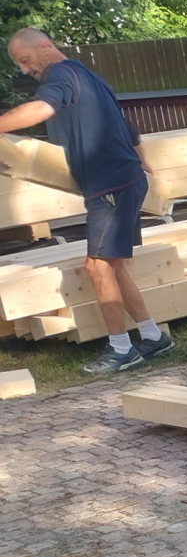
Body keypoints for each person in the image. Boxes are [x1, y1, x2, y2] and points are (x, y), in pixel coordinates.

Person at [0, 28, 170, 375]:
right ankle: (153, 337)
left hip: (110, 184)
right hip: (123, 179)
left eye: (25, 60)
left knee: (97, 267)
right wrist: (144, 165)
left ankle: (121, 349)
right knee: (113, 266)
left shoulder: (59, 75)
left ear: (45, 46)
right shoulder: (88, 76)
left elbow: (40, 108)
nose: (25, 69)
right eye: (19, 64)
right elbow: (127, 127)